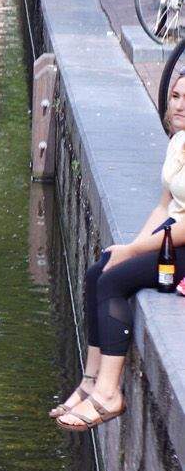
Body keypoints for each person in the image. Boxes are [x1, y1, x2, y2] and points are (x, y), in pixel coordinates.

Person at [52, 72, 185, 432]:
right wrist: (130, 248)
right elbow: (164, 206)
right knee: (100, 270)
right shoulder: (179, 142)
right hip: (172, 240)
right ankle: (91, 379)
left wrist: (134, 251)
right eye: (175, 96)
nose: (180, 104)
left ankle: (110, 394)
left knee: (114, 281)